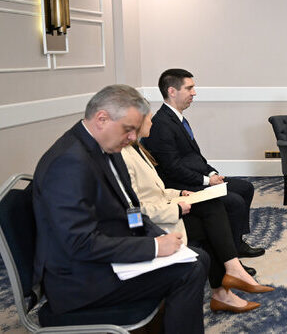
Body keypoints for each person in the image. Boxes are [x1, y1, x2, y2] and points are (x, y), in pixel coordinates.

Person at [32, 85, 207, 333]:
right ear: (102, 119)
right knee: (189, 270)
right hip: (80, 279)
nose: (133, 138)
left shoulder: (108, 148)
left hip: (107, 253)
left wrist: (155, 235)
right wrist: (154, 247)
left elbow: (129, 208)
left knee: (197, 258)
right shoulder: (69, 163)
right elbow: (79, 243)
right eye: (128, 129)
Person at [123, 111, 274, 314]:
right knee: (212, 222)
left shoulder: (137, 149)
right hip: (156, 222)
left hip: (167, 204)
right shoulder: (124, 156)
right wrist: (176, 208)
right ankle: (226, 284)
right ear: (136, 121)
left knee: (212, 205)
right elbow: (133, 209)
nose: (152, 121)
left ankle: (229, 277)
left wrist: (179, 193)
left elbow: (156, 190)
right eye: (148, 117)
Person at [143, 68, 264, 271]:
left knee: (245, 188)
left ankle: (237, 242)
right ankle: (230, 256)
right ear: (172, 91)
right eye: (189, 88)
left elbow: (195, 157)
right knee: (233, 201)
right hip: (181, 186)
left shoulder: (179, 119)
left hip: (197, 178)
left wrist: (212, 173)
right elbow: (172, 168)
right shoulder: (161, 124)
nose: (194, 93)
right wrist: (207, 181)